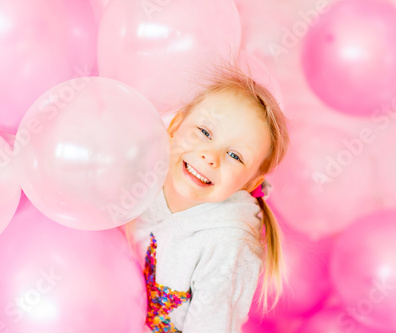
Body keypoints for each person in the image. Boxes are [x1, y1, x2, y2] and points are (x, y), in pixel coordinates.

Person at [124, 59, 290, 332]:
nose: (210, 157)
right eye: (204, 132)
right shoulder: (143, 168)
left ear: (250, 183)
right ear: (176, 127)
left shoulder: (227, 242)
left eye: (235, 155)